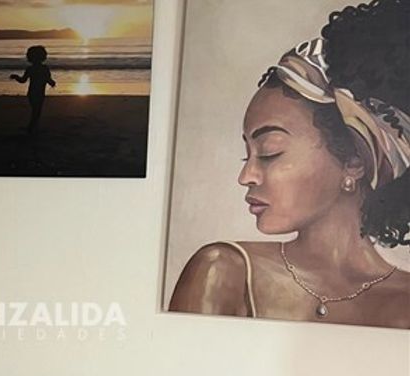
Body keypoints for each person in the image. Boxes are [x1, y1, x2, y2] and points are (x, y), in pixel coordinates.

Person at [169, 0, 410, 328]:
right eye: (247, 154)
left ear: (354, 163)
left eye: (270, 152)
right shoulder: (224, 271)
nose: (246, 176)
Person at [10, 45, 56, 133]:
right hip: (40, 93)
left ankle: (33, 126)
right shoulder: (45, 68)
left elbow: (23, 80)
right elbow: (48, 79)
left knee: (35, 110)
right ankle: (32, 127)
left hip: (31, 93)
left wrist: (16, 77)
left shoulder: (30, 69)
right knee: (37, 110)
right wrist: (52, 83)